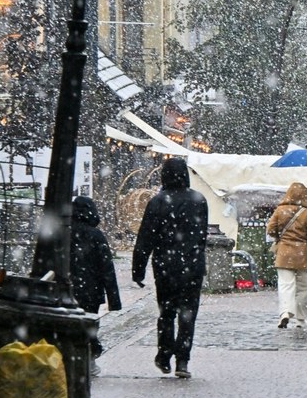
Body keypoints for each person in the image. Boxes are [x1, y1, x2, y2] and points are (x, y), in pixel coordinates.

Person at [132, 157, 209, 379]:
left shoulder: (158, 202)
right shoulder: (199, 200)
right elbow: (202, 236)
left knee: (166, 313)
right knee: (188, 315)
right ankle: (182, 360)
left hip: (166, 266)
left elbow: (145, 238)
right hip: (193, 266)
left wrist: (139, 269)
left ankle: (164, 355)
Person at [69, 195, 122, 377]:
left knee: (72, 324)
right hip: (91, 291)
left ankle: (76, 357)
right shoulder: (96, 235)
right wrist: (113, 299)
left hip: (67, 290)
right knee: (90, 324)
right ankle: (90, 359)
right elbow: (107, 268)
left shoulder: (63, 233)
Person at [267, 182, 307, 329]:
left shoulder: (280, 210)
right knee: (302, 288)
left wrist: (281, 236)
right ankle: (300, 319)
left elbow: (271, 229)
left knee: (285, 285)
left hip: (284, 253)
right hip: (303, 253)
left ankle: (285, 312)